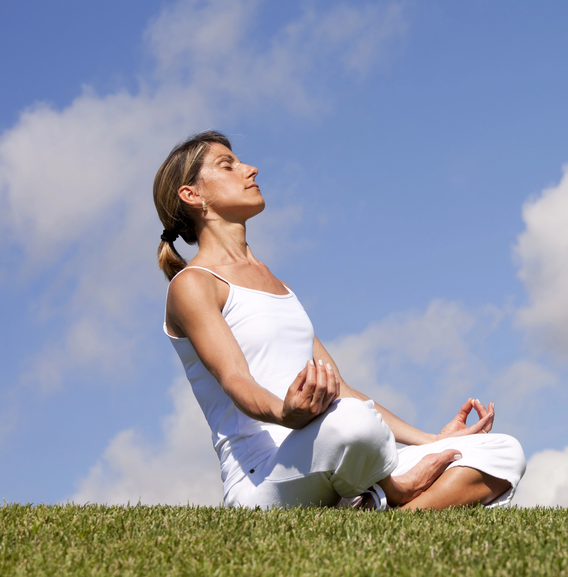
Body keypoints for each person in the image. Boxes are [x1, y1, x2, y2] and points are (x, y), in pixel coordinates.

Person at [153, 131, 526, 509]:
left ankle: (387, 517)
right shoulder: (193, 284)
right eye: (227, 165)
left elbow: (341, 386)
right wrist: (286, 412)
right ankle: (391, 492)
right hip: (264, 476)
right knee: (351, 422)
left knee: (501, 450)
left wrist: (435, 441)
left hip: (336, 453)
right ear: (192, 195)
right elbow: (235, 378)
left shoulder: (277, 284)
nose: (250, 169)